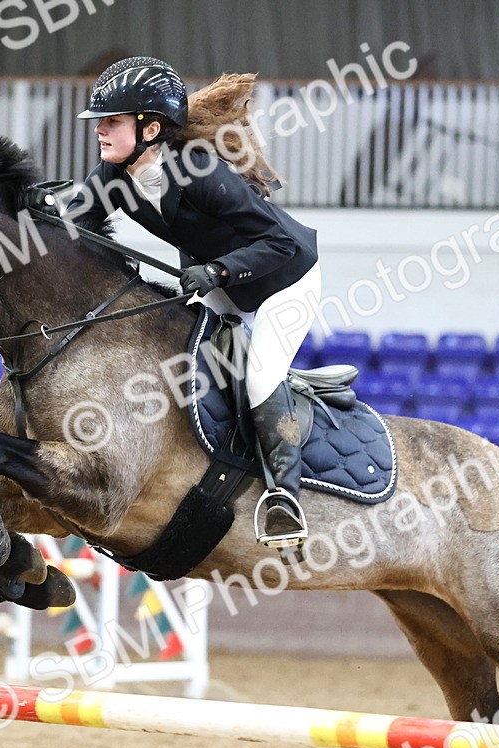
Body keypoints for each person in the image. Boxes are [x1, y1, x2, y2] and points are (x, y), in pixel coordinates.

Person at [61, 56, 321, 549]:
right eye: (100, 122)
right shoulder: (111, 175)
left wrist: (218, 271)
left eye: (111, 122)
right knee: (193, 367)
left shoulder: (200, 172)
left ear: (150, 128)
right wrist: (34, 218)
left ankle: (285, 498)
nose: (100, 131)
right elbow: (72, 234)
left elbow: (280, 244)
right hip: (221, 282)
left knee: (260, 375)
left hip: (285, 282)